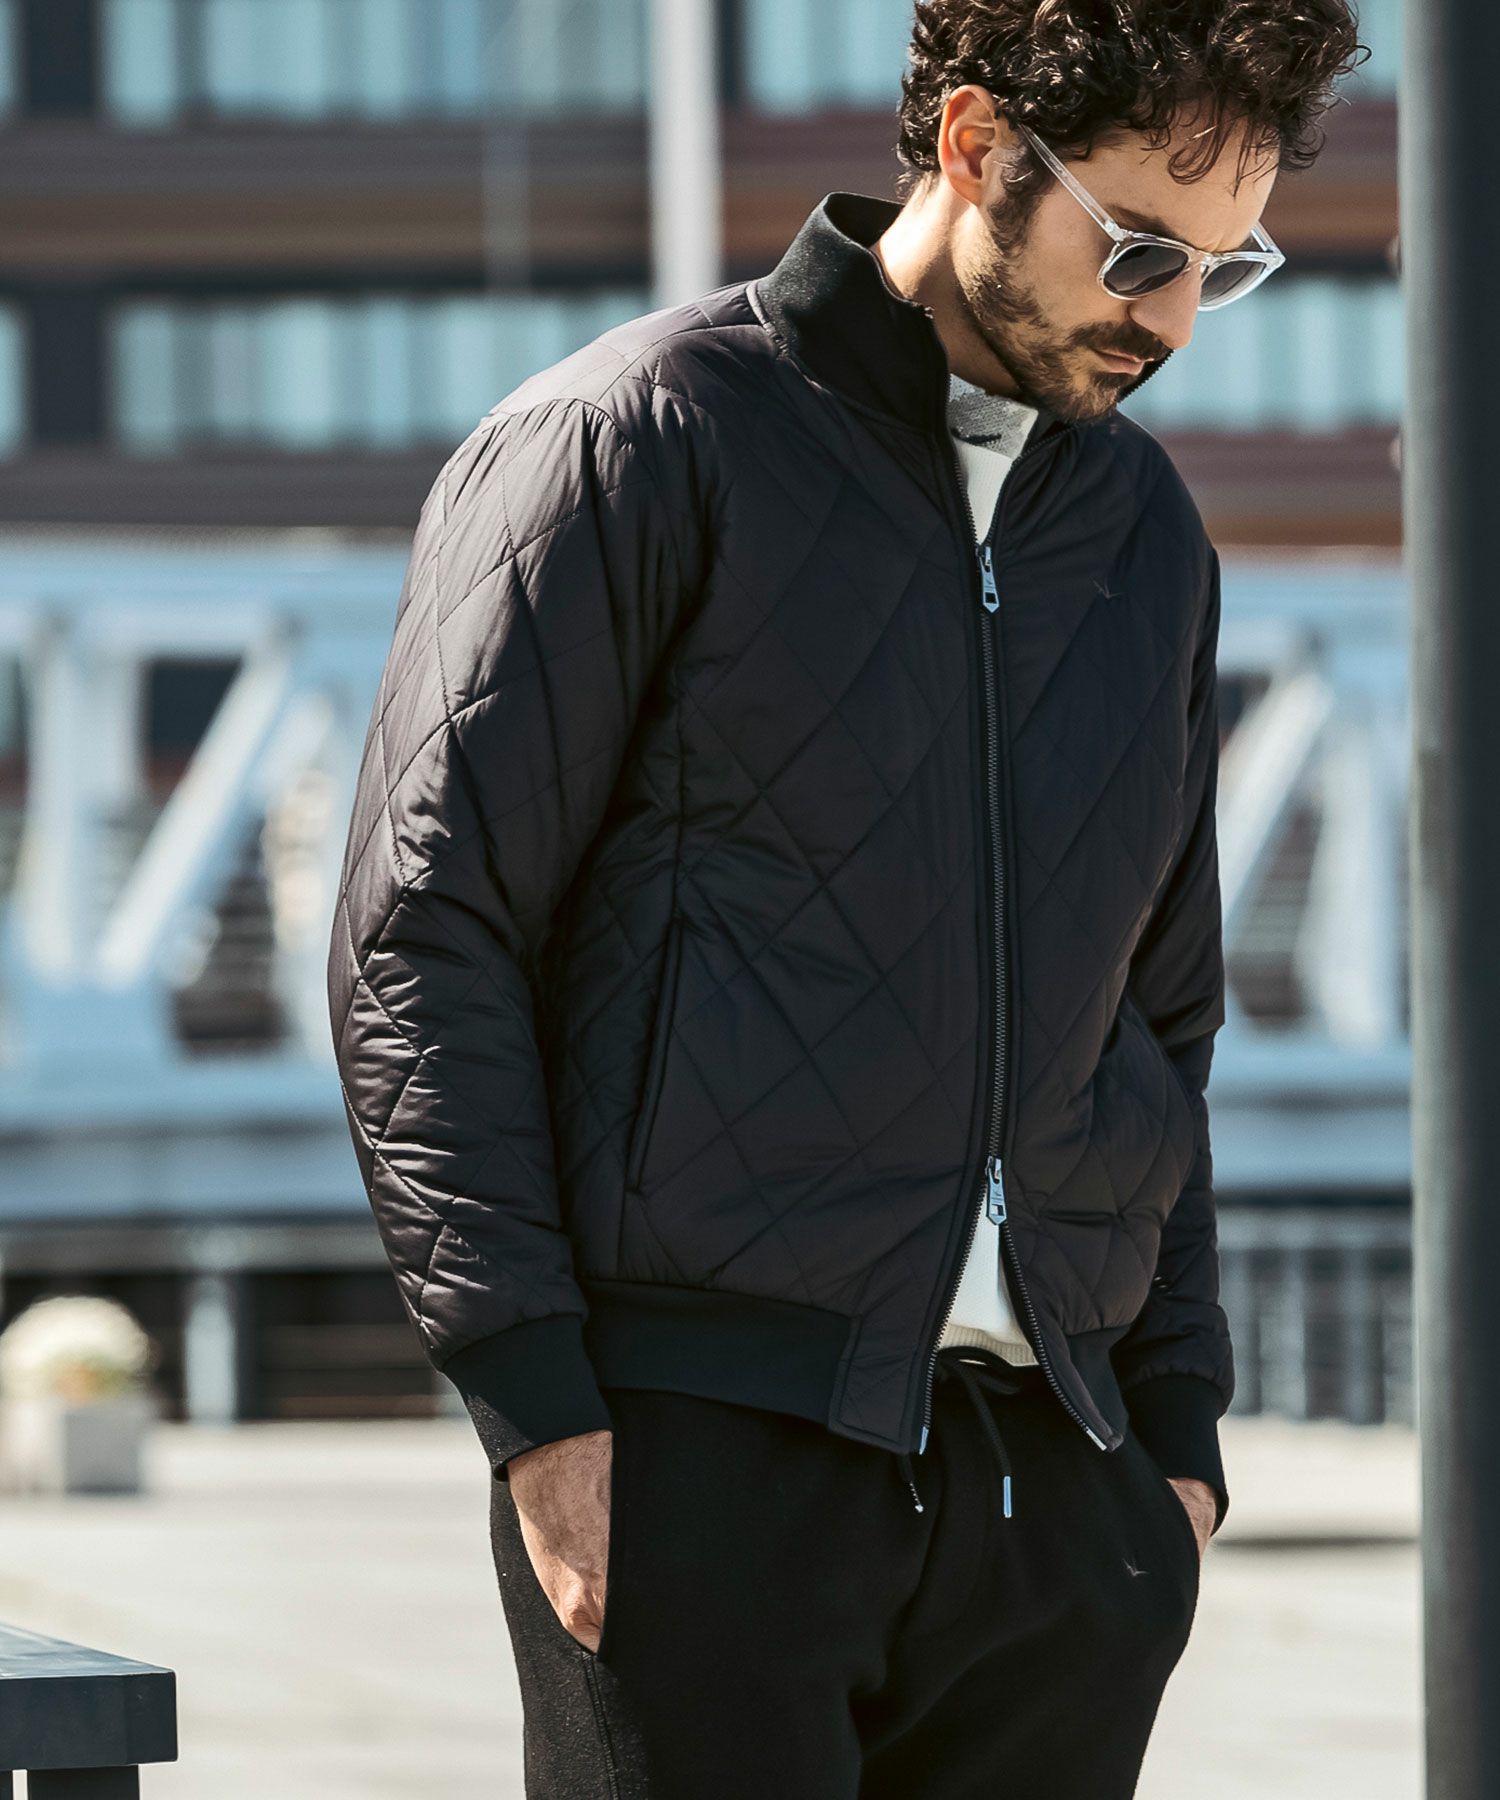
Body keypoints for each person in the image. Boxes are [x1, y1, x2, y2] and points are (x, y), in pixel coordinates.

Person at [327, 2, 1362, 1792]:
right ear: (974, 146)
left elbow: (1158, 1018)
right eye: (1136, 249)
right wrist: (535, 1398)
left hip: (1056, 1498)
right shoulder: (636, 440)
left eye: (1226, 266)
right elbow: (427, 935)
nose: (1177, 320)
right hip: (700, 1459)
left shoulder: (1142, 533)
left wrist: (1172, 1442)